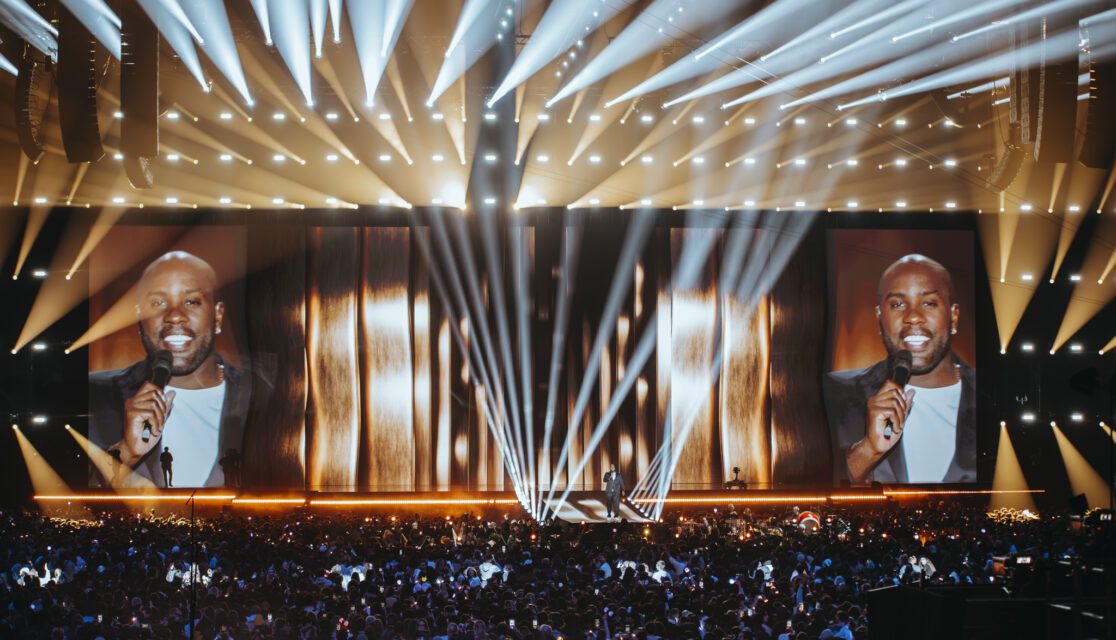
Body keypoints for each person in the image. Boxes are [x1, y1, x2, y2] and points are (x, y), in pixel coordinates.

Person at [89, 251, 253, 488]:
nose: (175, 316)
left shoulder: (264, 396)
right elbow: (65, 498)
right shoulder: (93, 394)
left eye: (192, 301)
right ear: (139, 317)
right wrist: (126, 451)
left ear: (217, 316)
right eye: (158, 303)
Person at [824, 254, 976, 484]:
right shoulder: (833, 393)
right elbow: (813, 487)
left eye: (928, 303)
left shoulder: (991, 394)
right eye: (897, 304)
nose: (913, 317)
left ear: (953, 316)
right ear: (879, 317)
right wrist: (869, 450)